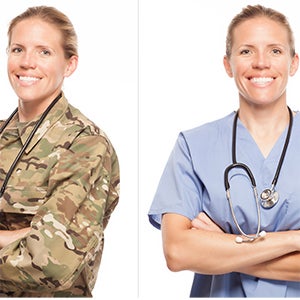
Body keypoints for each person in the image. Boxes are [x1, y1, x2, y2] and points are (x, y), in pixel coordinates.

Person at [148, 4, 300, 297]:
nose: (261, 63)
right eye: (246, 51)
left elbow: (195, 252)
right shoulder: (194, 146)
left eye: (275, 51)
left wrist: (224, 248)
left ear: (293, 63)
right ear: (228, 65)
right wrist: (294, 240)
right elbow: (178, 253)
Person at [0, 6, 119, 297]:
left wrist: (34, 239)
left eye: (44, 52)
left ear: (69, 65)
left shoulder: (85, 145)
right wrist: (21, 234)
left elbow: (49, 263)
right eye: (18, 49)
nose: (27, 62)